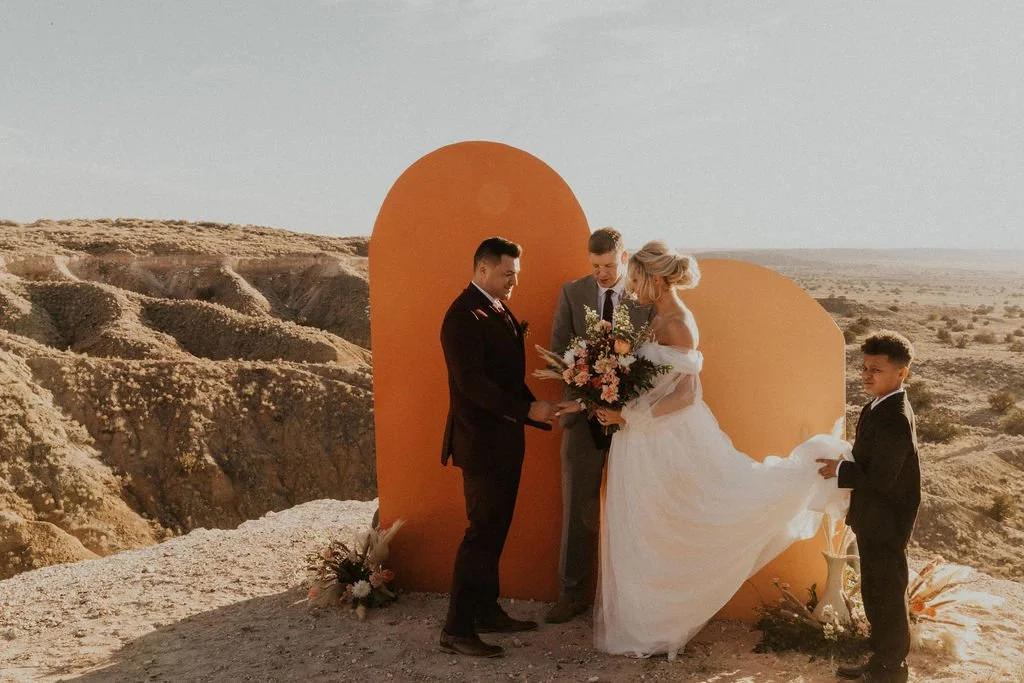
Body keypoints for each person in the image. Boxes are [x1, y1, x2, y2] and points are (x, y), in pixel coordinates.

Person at [558, 240, 850, 659]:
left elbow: (687, 395)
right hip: (640, 440)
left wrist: (629, 417)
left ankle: (660, 624)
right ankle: (645, 623)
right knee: (644, 528)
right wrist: (600, 400)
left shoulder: (678, 322)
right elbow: (644, 381)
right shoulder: (655, 316)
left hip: (664, 439)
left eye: (637, 279)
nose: (632, 287)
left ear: (656, 279)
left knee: (673, 523)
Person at [438, 236, 557, 658]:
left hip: (505, 439)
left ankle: (486, 611)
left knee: (496, 530)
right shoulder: (462, 317)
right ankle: (455, 629)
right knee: (481, 533)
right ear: (483, 269)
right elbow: (473, 385)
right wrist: (526, 410)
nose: (513, 282)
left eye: (516, 276)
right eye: (508, 274)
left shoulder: (496, 307)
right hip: (481, 442)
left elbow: (504, 379)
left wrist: (533, 409)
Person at [545, 227, 654, 624]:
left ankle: (631, 602)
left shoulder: (645, 298)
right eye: (595, 267)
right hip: (582, 421)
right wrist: (586, 391)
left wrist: (624, 403)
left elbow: (652, 361)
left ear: (623, 258)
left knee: (633, 507)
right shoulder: (572, 293)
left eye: (609, 265)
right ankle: (571, 594)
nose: (602, 274)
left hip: (631, 424)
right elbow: (558, 351)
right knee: (577, 507)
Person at [817, 331, 920, 683]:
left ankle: (892, 669)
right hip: (874, 518)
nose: (866, 375)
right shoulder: (877, 406)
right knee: (874, 591)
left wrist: (841, 469)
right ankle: (881, 663)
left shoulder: (894, 415)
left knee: (888, 594)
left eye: (876, 369)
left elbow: (883, 477)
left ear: (901, 373)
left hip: (887, 522)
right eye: (864, 367)